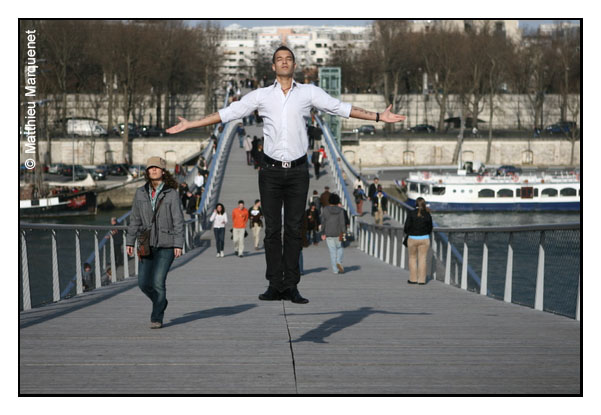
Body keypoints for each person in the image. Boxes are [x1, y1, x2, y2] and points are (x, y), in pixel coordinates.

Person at [166, 45, 406, 303]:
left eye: (288, 59)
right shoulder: (260, 96)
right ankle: (274, 284)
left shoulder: (309, 93)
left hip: (298, 171)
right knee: (272, 230)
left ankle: (291, 286)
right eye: (279, 59)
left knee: (293, 229)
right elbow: (227, 114)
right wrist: (191, 124)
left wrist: (379, 116)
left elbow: (340, 108)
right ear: (273, 66)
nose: (283, 62)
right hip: (269, 171)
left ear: (294, 65)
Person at [126, 156, 184, 329]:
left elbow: (178, 220)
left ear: (163, 171)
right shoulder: (140, 192)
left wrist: (178, 244)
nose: (153, 170)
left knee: (158, 282)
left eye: (157, 167)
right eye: (150, 167)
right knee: (143, 283)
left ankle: (157, 317)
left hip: (166, 244)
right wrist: (130, 241)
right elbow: (134, 219)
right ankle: (161, 302)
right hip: (146, 243)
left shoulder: (171, 193)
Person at [403, 197, 433, 285]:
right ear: (424, 204)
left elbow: (406, 227)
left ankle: (413, 279)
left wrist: (410, 232)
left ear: (415, 204)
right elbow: (430, 228)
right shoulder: (427, 214)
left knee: (412, 258)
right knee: (422, 259)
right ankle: (422, 280)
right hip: (424, 239)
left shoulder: (411, 213)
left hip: (412, 238)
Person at [320, 193, 346, 274]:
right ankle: (339, 261)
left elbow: (323, 222)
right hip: (338, 233)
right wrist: (344, 232)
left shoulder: (325, 209)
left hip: (329, 233)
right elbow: (342, 222)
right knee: (340, 248)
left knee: (332, 251)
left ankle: (335, 270)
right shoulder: (341, 210)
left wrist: (323, 232)